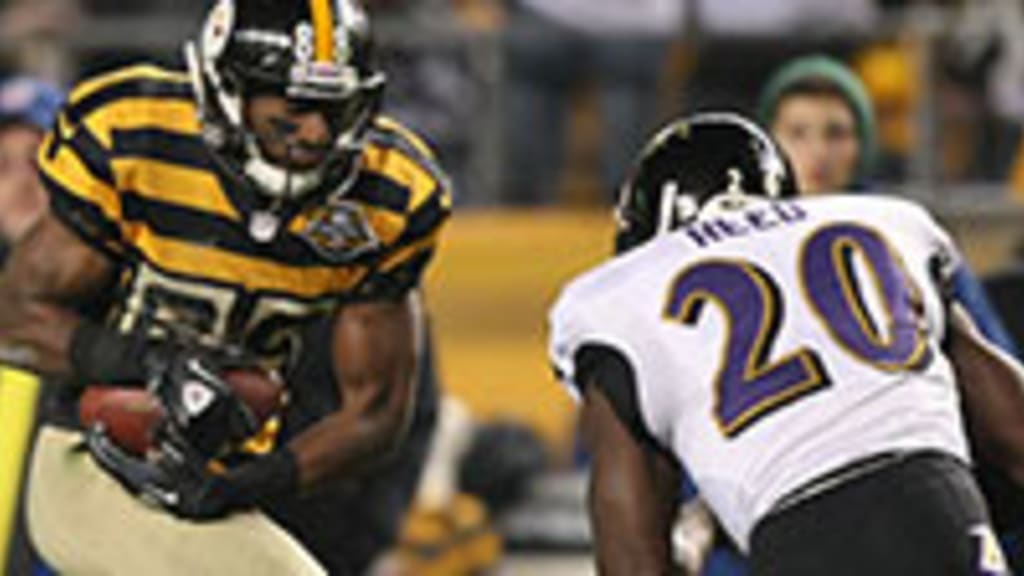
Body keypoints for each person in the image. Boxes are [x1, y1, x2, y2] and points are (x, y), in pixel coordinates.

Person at [0, 0, 451, 574]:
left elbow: (377, 412)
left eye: (335, 109)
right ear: (228, 89)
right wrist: (148, 360)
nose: (315, 132)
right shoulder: (136, 138)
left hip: (224, 483)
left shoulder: (390, 196)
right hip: (96, 456)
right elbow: (13, 320)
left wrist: (244, 485)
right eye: (294, 107)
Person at [548, 113, 1024, 575]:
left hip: (802, 538)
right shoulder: (886, 225)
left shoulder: (620, 301)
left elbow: (633, 563)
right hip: (941, 505)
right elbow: (1013, 431)